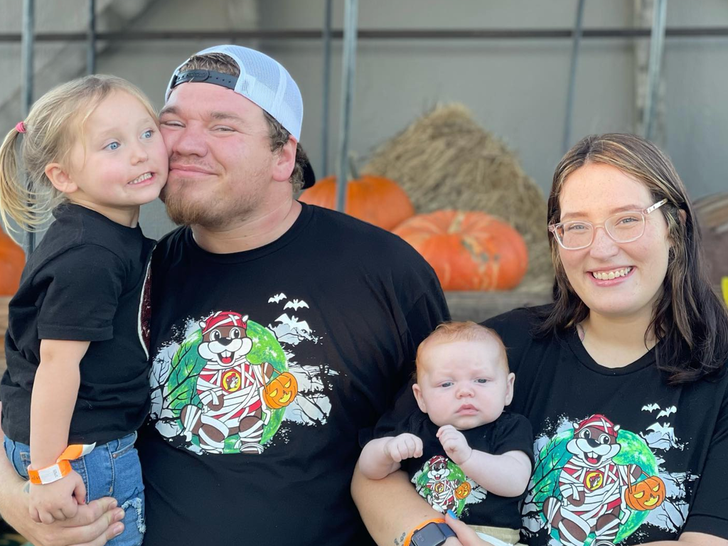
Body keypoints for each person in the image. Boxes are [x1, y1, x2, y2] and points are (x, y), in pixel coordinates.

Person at [0, 45, 449, 546]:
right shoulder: (132, 270)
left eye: (222, 126)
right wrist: (16, 502)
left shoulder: (386, 272)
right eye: (170, 123)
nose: (186, 144)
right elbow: (23, 389)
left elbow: (445, 440)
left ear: (283, 156)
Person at [352, 133, 728, 546]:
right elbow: (374, 479)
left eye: (627, 219)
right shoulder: (497, 349)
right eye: (577, 227)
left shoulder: (720, 375)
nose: (601, 249)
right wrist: (432, 540)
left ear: (675, 227)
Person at [0, 75, 168, 546]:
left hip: (75, 444)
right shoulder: (90, 257)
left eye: (147, 132)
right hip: (83, 452)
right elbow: (57, 365)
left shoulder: (104, 235)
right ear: (63, 177)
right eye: (112, 145)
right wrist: (49, 471)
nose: (139, 152)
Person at [358, 321, 532, 546]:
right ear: (421, 398)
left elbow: (515, 480)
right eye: (446, 384)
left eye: (481, 380)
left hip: (495, 538)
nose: (465, 391)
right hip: (425, 531)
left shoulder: (510, 427)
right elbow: (369, 472)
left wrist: (468, 458)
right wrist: (386, 450)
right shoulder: (416, 429)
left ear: (507, 389)